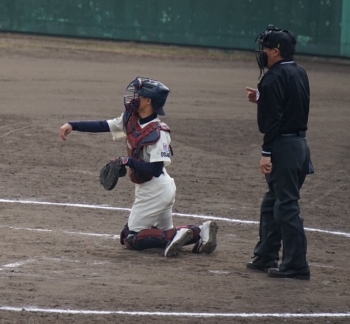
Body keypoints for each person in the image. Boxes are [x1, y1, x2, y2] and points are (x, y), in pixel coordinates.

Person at [58, 77, 217, 257]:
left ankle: (176, 235)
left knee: (130, 238)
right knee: (158, 234)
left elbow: (155, 170)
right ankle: (200, 231)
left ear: (148, 101)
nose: (134, 98)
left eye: (138, 95)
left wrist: (128, 161)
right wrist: (73, 125)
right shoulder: (131, 119)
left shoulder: (158, 132)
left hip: (155, 190)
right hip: (157, 189)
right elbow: (104, 125)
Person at [245, 25, 312, 280]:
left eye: (265, 48)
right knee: (272, 202)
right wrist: (263, 98)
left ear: (276, 51)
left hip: (283, 148)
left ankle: (296, 265)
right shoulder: (298, 71)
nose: (262, 52)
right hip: (299, 146)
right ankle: (266, 256)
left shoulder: (273, 78)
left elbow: (274, 120)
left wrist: (266, 153)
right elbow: (291, 103)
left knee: (286, 206)